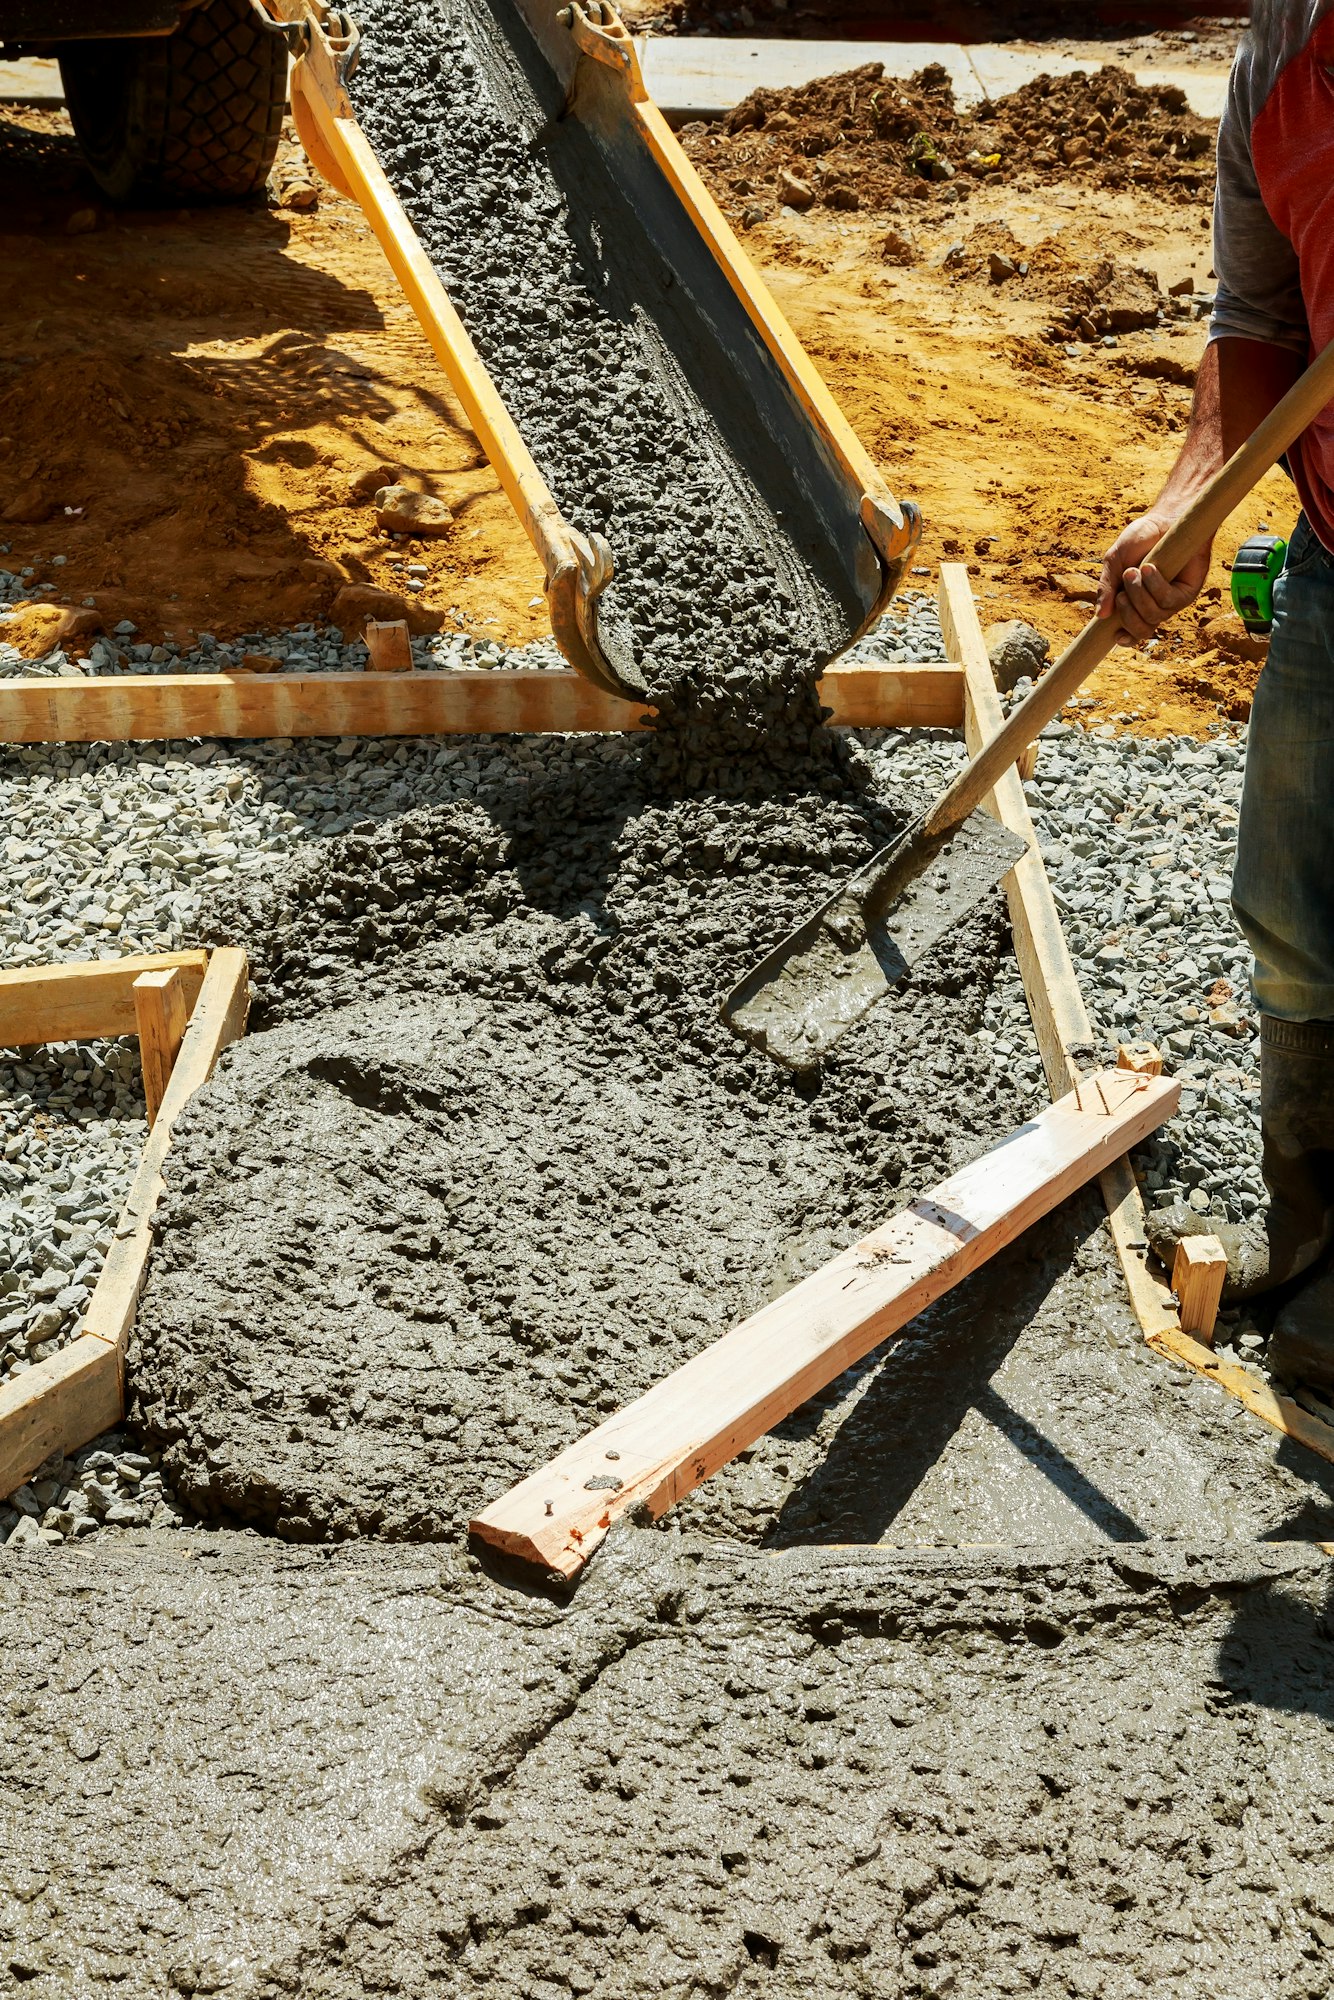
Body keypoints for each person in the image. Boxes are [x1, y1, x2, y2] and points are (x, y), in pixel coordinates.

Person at [1097, 0, 1334, 1392]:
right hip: (1330, 543)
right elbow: (1257, 317)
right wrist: (1189, 503)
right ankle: (1311, 1263)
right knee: (1296, 922)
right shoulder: (1285, 46)